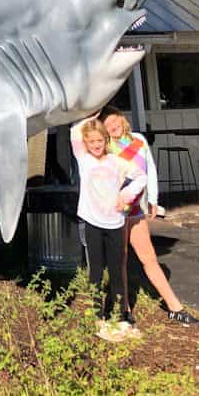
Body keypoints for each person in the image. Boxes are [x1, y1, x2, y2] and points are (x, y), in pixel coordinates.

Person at [100, 105, 199, 327]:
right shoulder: (105, 147)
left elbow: (150, 170)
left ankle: (175, 308)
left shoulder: (138, 140)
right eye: (106, 124)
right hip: (116, 210)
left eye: (113, 120)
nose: (112, 126)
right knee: (121, 260)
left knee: (149, 258)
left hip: (137, 209)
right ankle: (123, 309)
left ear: (121, 117)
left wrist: (153, 199)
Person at [70, 117, 146, 338]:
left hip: (115, 222)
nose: (95, 144)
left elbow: (140, 177)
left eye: (99, 140)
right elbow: (74, 130)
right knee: (95, 270)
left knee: (116, 270)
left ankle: (122, 317)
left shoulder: (116, 161)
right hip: (92, 222)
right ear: (85, 142)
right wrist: (93, 114)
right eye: (91, 141)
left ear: (106, 139)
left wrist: (127, 196)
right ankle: (98, 317)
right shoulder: (84, 160)